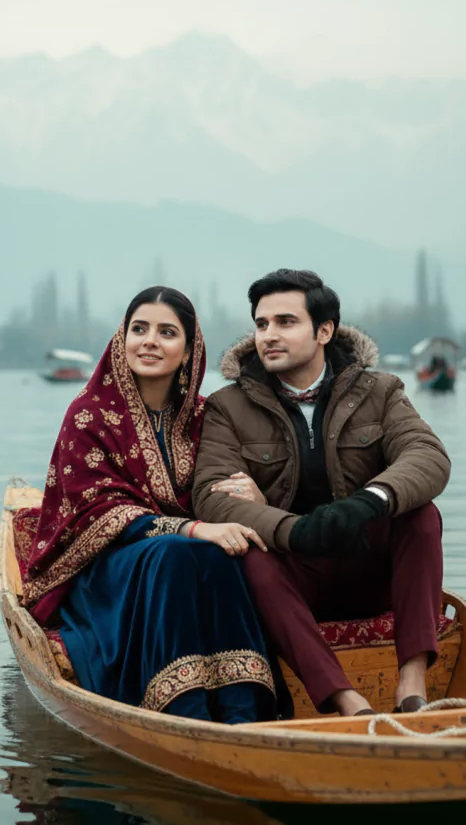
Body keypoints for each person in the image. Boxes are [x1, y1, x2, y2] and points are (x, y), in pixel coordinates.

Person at [21, 286, 287, 723]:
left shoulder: (205, 418)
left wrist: (253, 495)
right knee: (177, 553)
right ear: (121, 339)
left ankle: (246, 711)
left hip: (190, 559)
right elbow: (96, 509)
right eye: (139, 329)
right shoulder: (88, 414)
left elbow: (228, 486)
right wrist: (189, 528)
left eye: (167, 332)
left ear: (188, 351)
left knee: (221, 553)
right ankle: (182, 709)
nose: (149, 341)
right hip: (107, 568)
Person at [192, 269, 450, 718]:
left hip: (374, 574)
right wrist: (295, 531)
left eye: (285, 322)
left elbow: (428, 456)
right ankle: (345, 700)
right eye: (261, 324)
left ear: (324, 331)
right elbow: (213, 496)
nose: (269, 335)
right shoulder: (227, 407)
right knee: (246, 554)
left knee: (421, 514)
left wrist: (371, 500)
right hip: (292, 582)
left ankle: (412, 683)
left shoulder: (381, 391)